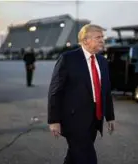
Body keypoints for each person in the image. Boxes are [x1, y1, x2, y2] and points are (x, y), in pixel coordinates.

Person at [47, 24, 115, 164]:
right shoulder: (68, 59)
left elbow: (106, 91)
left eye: (102, 37)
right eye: (98, 37)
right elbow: (55, 90)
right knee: (87, 158)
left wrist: (109, 116)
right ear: (85, 40)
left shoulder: (102, 61)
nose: (102, 40)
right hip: (74, 120)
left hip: (94, 119)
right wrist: (54, 120)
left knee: (75, 156)